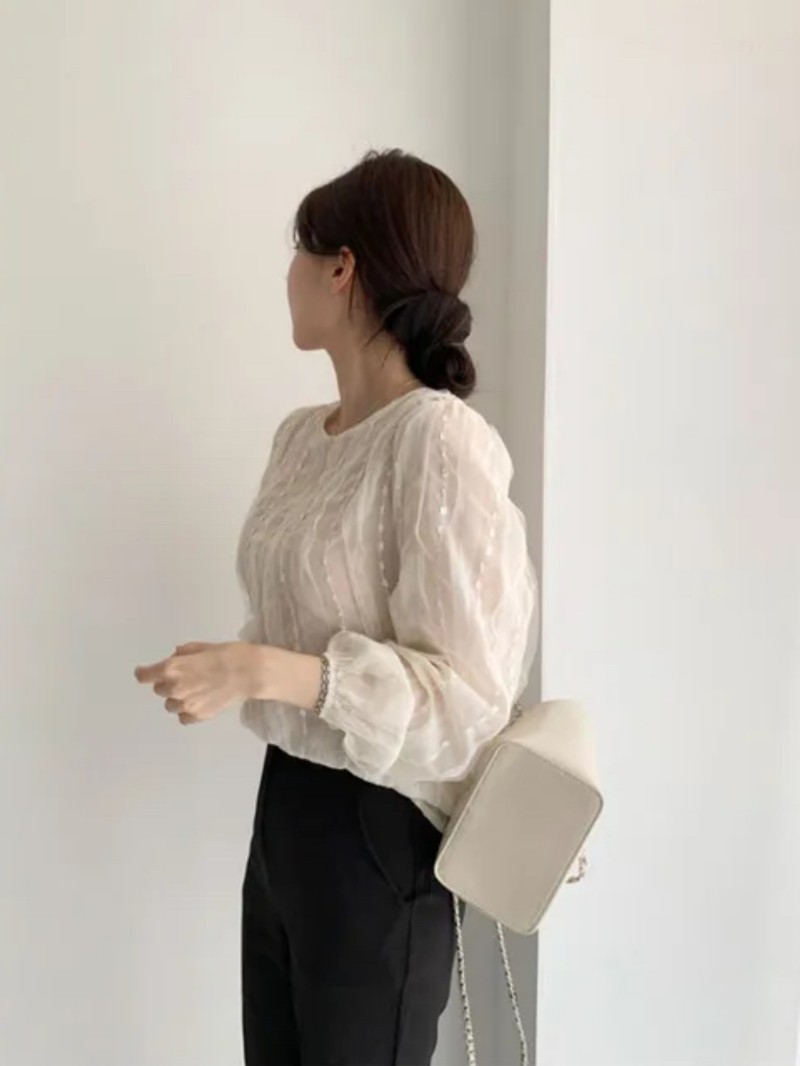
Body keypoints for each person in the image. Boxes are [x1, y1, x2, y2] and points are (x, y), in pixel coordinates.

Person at [135, 149, 538, 1066]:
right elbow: (303, 623)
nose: (287, 275)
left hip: (380, 833)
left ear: (342, 267)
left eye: (299, 252)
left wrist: (264, 671)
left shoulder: (439, 440)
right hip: (287, 808)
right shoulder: (300, 439)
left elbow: (467, 703)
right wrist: (232, 666)